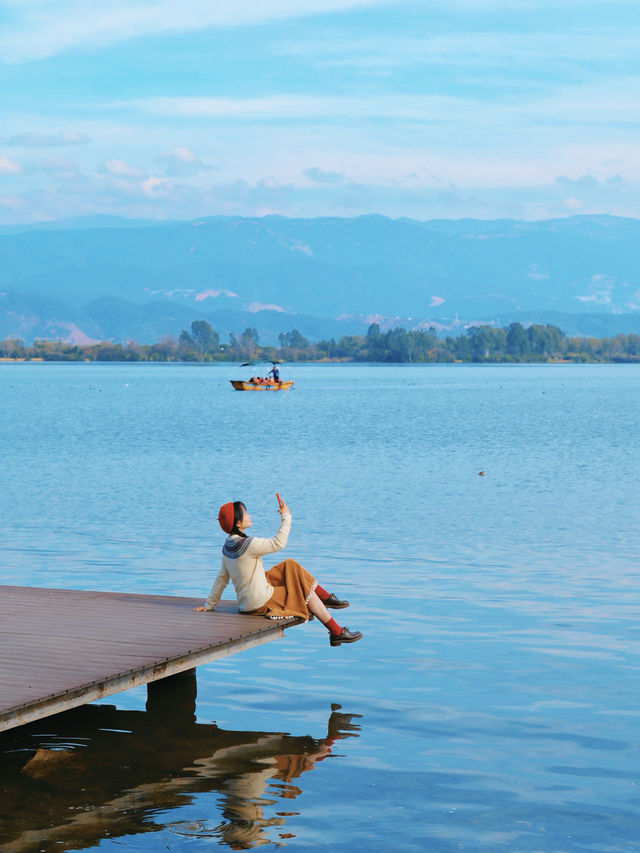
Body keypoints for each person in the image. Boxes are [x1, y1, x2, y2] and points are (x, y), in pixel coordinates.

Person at [194, 496, 362, 646]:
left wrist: (210, 604)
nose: (249, 516)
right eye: (246, 514)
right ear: (238, 523)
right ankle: (336, 631)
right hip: (261, 601)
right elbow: (278, 543)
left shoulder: (228, 546)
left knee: (290, 565)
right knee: (303, 590)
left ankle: (326, 599)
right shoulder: (249, 545)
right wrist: (286, 516)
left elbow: (222, 578)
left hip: (247, 602)